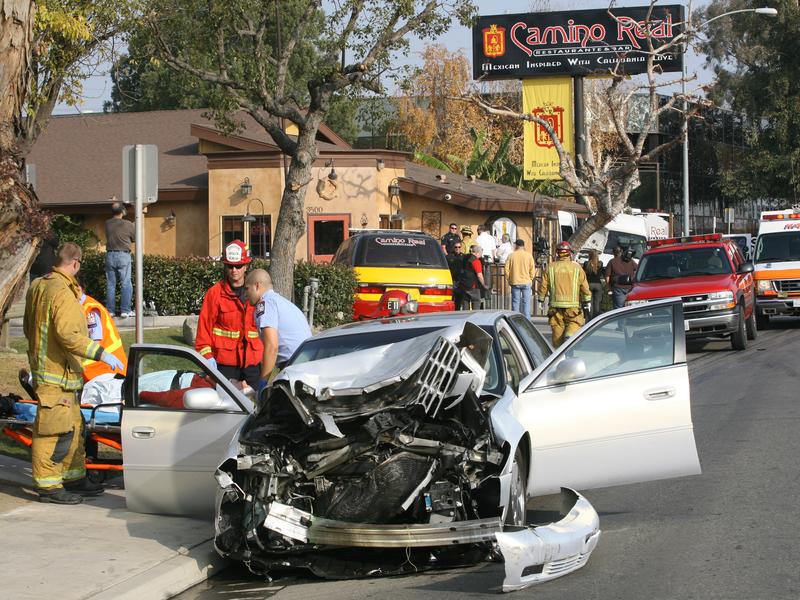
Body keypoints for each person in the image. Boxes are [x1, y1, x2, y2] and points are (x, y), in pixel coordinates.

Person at [23, 242, 124, 504]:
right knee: (52, 432)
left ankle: (74, 478)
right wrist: (102, 354)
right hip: (56, 375)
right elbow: (70, 336)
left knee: (73, 429)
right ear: (76, 263)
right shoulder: (63, 292)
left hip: (55, 373)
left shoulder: (38, 286)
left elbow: (28, 327)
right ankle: (49, 487)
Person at [195, 240, 263, 389]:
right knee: (227, 405)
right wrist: (208, 358)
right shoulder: (215, 294)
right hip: (225, 363)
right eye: (230, 266)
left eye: (238, 266)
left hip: (252, 361)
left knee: (258, 405)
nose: (234, 270)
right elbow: (203, 332)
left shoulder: (257, 292)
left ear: (246, 266)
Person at [244, 269, 312, 396]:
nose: (245, 294)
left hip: (294, 365)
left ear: (257, 286)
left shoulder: (265, 304)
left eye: (247, 289)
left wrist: (263, 381)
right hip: (305, 361)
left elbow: (272, 346)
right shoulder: (281, 301)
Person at [537, 241, 592, 347]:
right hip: (573, 307)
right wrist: (587, 301)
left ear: (557, 253)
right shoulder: (577, 268)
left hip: (555, 307)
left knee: (557, 332)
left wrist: (541, 300)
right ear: (570, 253)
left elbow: (543, 285)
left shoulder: (550, 267)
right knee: (575, 323)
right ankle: (570, 335)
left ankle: (559, 353)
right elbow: (584, 287)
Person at [79, 283, 128, 382]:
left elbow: (94, 343)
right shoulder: (81, 307)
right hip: (101, 372)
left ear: (78, 289)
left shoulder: (90, 310)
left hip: (105, 373)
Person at [104, 200, 135, 317]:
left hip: (110, 255)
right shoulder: (127, 224)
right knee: (126, 283)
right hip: (123, 255)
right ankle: (125, 310)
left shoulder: (107, 223)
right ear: (122, 211)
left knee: (111, 284)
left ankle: (110, 311)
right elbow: (134, 238)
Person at [504, 239, 536, 319]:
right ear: (523, 246)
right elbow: (532, 269)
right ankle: (527, 320)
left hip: (515, 281)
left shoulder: (511, 255)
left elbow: (506, 269)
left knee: (515, 302)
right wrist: (531, 278)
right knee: (526, 302)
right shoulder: (528, 255)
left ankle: (515, 320)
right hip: (526, 281)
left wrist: (509, 279)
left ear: (516, 246)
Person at [458, 244, 486, 310]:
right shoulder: (476, 261)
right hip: (473, 285)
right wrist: (483, 284)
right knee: (476, 302)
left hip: (464, 284)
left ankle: (465, 317)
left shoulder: (465, 258)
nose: (480, 255)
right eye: (480, 253)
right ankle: (475, 318)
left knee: (465, 302)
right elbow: (479, 275)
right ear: (477, 252)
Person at [583, 249, 604, 319]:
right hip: (598, 284)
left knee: (590, 302)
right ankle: (596, 318)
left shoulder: (586, 263)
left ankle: (589, 317)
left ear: (590, 255)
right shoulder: (600, 263)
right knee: (597, 302)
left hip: (589, 284)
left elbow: (583, 274)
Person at [446, 241, 465, 309]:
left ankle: (457, 311)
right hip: (451, 280)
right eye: (456, 247)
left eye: (459, 247)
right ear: (454, 248)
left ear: (461, 248)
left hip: (460, 281)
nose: (457, 248)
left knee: (459, 299)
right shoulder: (449, 256)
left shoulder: (464, 257)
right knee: (451, 298)